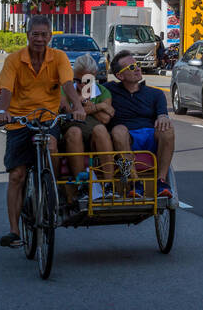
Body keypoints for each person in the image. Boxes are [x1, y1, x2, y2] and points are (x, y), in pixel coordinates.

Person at [0, 15, 86, 247]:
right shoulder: (14, 60)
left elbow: (67, 84)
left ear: (50, 37)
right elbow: (6, 88)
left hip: (48, 119)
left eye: (44, 35)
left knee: (52, 145)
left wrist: (77, 106)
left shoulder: (59, 58)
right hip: (19, 121)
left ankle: (50, 188)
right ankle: (15, 231)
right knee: (17, 175)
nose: (39, 39)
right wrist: (3, 111)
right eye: (35, 34)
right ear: (27, 35)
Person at [105, 52, 174, 198]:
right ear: (120, 76)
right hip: (126, 137)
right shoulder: (110, 90)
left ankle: (161, 182)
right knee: (118, 130)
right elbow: (87, 87)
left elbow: (162, 114)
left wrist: (163, 117)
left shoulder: (155, 94)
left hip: (150, 135)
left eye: (138, 65)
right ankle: (136, 182)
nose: (137, 68)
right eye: (131, 67)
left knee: (167, 129)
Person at [59, 55, 115, 203]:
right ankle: (82, 187)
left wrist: (95, 106)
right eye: (77, 81)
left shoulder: (103, 92)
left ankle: (108, 185)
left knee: (101, 130)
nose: (81, 85)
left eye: (86, 81)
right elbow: (69, 113)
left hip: (94, 135)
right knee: (75, 132)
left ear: (94, 76)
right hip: (70, 133)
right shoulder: (66, 90)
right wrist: (99, 107)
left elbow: (105, 119)